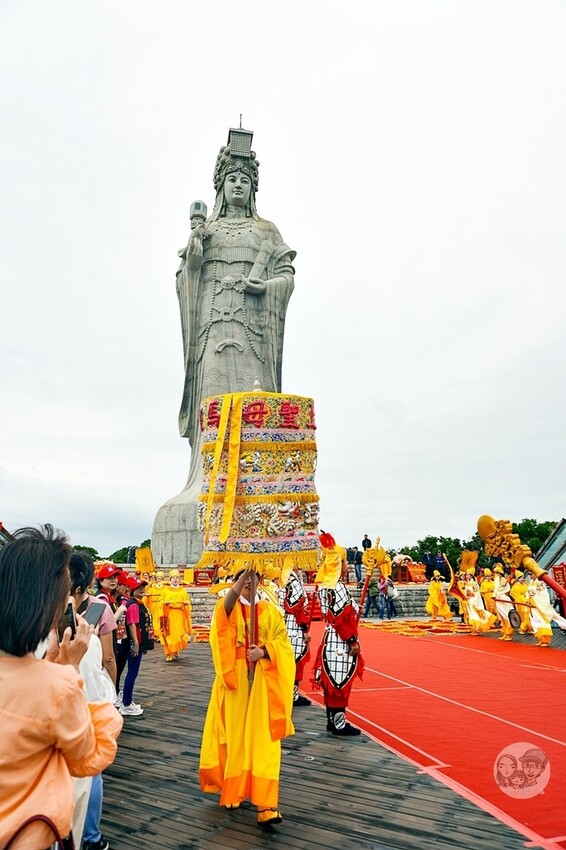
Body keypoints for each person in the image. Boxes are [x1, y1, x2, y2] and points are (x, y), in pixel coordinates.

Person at [175, 129, 296, 508]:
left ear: (253, 187)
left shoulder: (266, 231)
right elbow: (185, 281)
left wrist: (266, 288)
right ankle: (207, 481)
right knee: (212, 404)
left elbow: (287, 276)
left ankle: (255, 485)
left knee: (251, 405)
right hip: (213, 329)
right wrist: (194, 260)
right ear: (220, 186)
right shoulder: (206, 232)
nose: (239, 185)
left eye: (245, 179)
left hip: (253, 336)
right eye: (232, 179)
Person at [0, 525, 122, 850]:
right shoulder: (57, 685)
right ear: (46, 605)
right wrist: (69, 670)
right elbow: (88, 757)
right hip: (25, 835)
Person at [199, 568, 295, 826]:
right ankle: (234, 790)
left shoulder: (271, 610)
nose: (248, 585)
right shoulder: (227, 606)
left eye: (253, 580)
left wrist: (263, 652)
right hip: (236, 681)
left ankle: (267, 805)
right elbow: (222, 619)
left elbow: (284, 644)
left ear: (261, 582)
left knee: (264, 739)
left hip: (264, 680)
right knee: (236, 736)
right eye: (243, 580)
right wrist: (242, 577)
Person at [69, 551, 118, 850]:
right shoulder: (100, 611)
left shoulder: (38, 615)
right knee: (91, 772)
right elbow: (108, 658)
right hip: (88, 699)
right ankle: (90, 836)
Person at [314, 533, 363, 736]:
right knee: (339, 679)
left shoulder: (324, 587)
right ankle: (339, 723)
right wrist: (352, 640)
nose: (346, 566)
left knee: (333, 679)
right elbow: (343, 618)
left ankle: (332, 720)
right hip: (340, 639)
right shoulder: (338, 587)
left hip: (329, 637)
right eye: (343, 562)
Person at [120, 578, 154, 716]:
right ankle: (126, 703)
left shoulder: (138, 603)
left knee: (132, 673)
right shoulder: (134, 605)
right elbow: (132, 624)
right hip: (135, 643)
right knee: (132, 673)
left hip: (137, 642)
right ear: (132, 590)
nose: (142, 589)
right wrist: (136, 644)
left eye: (143, 586)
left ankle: (126, 700)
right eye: (139, 587)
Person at [279, 569, 312, 707]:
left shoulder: (282, 577)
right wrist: (304, 629)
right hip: (293, 624)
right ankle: (293, 695)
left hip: (283, 621)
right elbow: (297, 607)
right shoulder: (291, 580)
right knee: (296, 659)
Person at [158, 569, 192, 662]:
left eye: (177, 578)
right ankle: (169, 653)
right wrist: (165, 603)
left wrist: (186, 603)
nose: (175, 580)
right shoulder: (165, 591)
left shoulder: (183, 591)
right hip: (169, 615)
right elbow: (160, 602)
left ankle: (176, 650)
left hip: (180, 614)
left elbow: (187, 601)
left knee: (179, 634)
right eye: (173, 578)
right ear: (170, 579)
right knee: (169, 634)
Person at [493, 564, 515, 641]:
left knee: (506, 616)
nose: (494, 574)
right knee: (502, 617)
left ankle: (509, 633)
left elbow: (501, 590)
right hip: (498, 600)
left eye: (496, 573)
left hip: (503, 600)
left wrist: (498, 596)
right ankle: (505, 633)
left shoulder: (503, 580)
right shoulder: (497, 581)